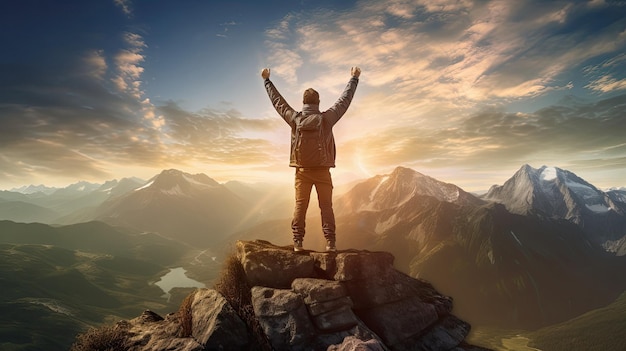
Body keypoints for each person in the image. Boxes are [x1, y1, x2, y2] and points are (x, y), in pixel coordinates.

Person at [261, 66, 360, 252]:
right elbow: (344, 100)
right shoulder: (327, 119)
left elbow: (278, 103)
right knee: (326, 207)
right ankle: (330, 243)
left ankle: (297, 242)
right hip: (323, 172)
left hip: (302, 172)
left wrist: (267, 81)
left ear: (303, 102)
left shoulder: (295, 119)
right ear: (318, 102)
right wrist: (354, 78)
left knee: (300, 206)